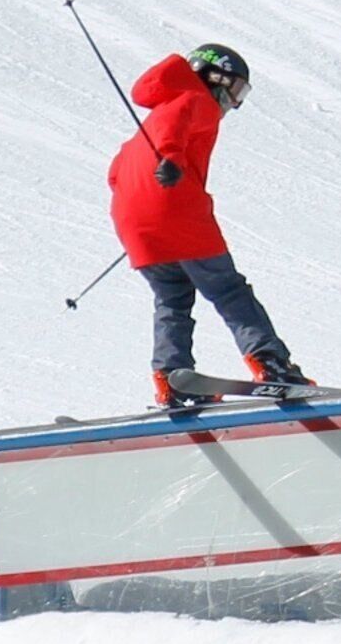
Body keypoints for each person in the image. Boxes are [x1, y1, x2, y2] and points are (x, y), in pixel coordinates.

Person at [109, 41, 312, 403]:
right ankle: (271, 362)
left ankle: (171, 378)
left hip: (134, 225)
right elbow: (175, 127)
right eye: (235, 90)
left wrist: (144, 209)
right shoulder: (195, 98)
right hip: (178, 213)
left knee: (172, 298)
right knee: (228, 290)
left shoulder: (156, 114)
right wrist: (170, 160)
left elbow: (116, 171)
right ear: (214, 76)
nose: (235, 103)